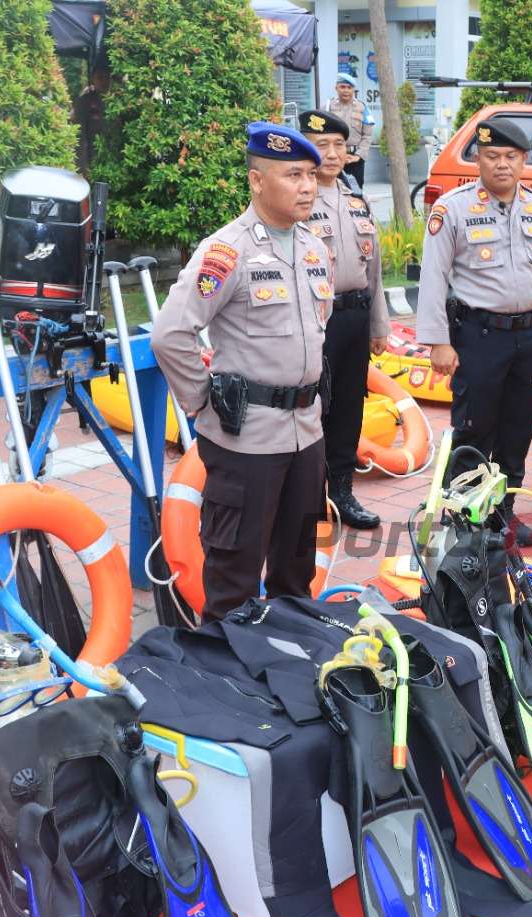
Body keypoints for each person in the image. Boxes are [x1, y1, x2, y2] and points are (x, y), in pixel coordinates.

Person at [153, 123, 331, 621]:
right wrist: (203, 403)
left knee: (296, 571)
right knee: (234, 577)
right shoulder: (226, 252)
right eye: (293, 175)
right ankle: (230, 683)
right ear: (257, 181)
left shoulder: (314, 249)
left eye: (311, 175)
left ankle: (293, 662)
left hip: (305, 433)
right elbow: (171, 335)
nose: (307, 186)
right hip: (247, 440)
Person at [417, 117, 532, 548]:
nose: (502, 165)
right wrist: (439, 341)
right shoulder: (452, 209)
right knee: (474, 429)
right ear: (478, 160)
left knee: (519, 427)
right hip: (477, 337)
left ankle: (502, 515)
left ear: (524, 161)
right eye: (492, 156)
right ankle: (465, 518)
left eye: (511, 157)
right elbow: (434, 276)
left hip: (529, 337)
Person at [299, 109, 390, 531]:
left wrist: (379, 325)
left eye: (339, 145)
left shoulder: (356, 200)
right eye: (322, 146)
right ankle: (308, 495)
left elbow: (374, 269)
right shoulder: (296, 200)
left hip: (354, 317)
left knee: (350, 407)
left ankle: (342, 491)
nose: (332, 154)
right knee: (315, 405)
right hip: (314, 320)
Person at [326, 74, 372, 190]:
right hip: (333, 157)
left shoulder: (362, 108)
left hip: (354, 159)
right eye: (342, 87)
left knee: (356, 193)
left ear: (353, 89)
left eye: (349, 87)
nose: (346, 90)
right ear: (336, 88)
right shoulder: (327, 107)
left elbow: (367, 136)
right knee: (333, 190)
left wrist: (358, 156)